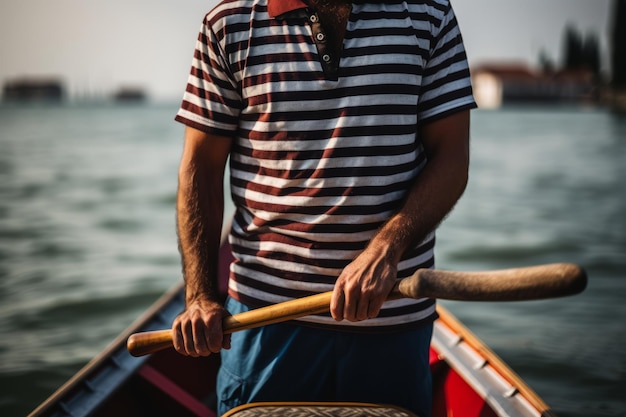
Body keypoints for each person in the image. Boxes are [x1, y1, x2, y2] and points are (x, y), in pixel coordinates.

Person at [172, 0, 476, 415]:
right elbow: (201, 169)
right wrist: (200, 296)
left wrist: (385, 250)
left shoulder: (428, 15)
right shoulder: (229, 24)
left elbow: (451, 158)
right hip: (265, 324)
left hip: (392, 323)